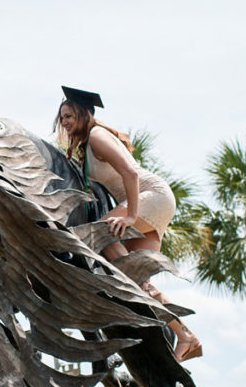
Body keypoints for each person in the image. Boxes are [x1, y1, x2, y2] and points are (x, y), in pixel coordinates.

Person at [54, 86, 201, 361]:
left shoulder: (97, 136)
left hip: (152, 197)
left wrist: (131, 215)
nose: (65, 122)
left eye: (69, 115)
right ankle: (185, 336)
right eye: (62, 117)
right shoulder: (86, 144)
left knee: (100, 233)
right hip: (144, 202)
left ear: (84, 115)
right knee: (136, 281)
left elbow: (130, 172)